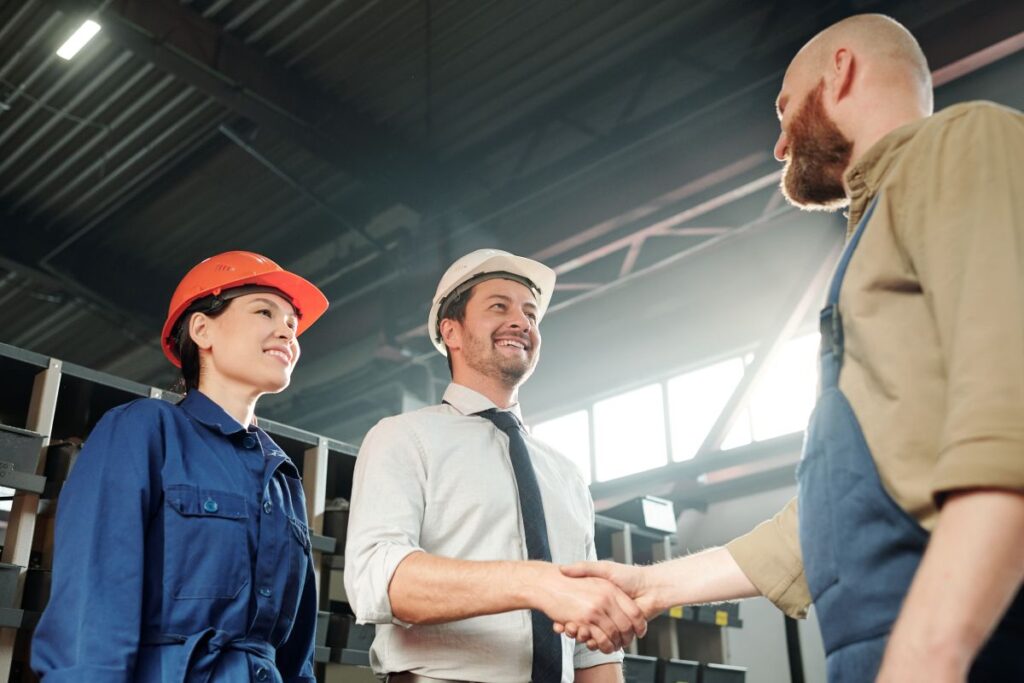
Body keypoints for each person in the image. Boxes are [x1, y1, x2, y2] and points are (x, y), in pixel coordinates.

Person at [559, 13, 1024, 683]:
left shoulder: (960, 144)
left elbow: (1008, 411)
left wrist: (928, 655)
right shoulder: (868, 243)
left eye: (783, 108)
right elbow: (815, 527)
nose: (779, 147)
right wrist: (647, 584)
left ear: (841, 69)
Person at [344, 249, 646, 682]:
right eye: (498, 306)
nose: (522, 322)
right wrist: (534, 582)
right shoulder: (403, 437)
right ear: (452, 331)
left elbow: (588, 649)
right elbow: (378, 579)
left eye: (530, 314)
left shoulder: (565, 472)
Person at [32, 250, 329, 682]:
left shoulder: (282, 478)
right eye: (265, 310)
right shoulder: (144, 431)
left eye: (292, 324)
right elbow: (92, 601)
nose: (286, 331)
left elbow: (296, 651)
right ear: (202, 329)